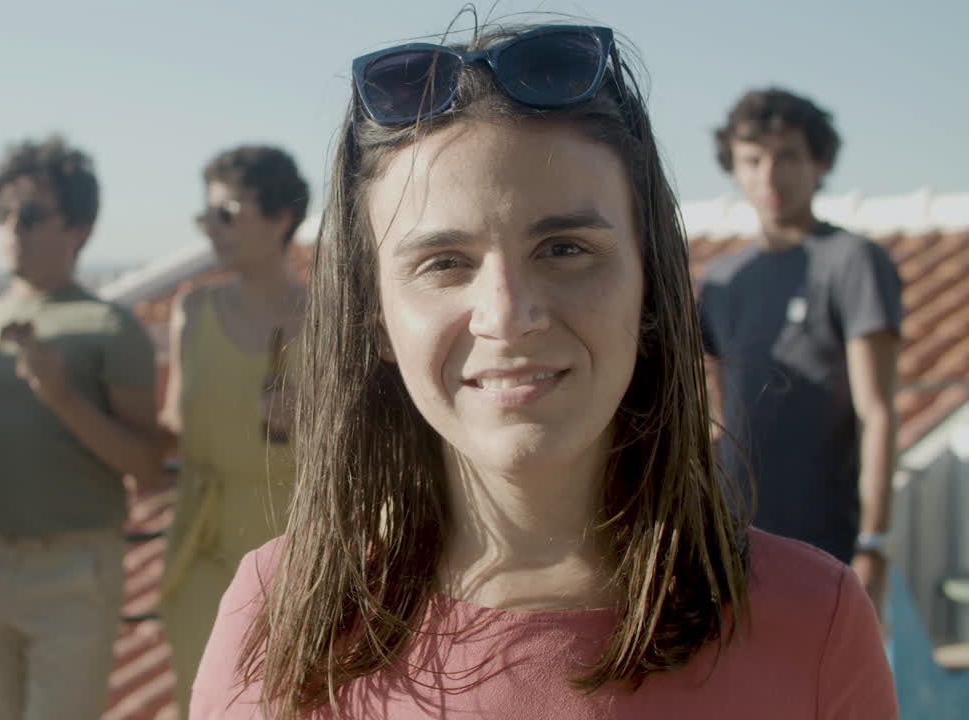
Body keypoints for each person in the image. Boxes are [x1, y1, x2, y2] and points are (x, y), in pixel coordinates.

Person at [191, 23, 898, 719]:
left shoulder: (816, 624)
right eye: (444, 264)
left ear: (652, 285)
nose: (509, 313)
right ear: (375, 317)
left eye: (564, 249)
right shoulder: (276, 610)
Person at [0, 136, 161, 719]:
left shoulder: (110, 327)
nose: (11, 228)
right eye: (1, 214)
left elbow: (147, 464)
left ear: (78, 227)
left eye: (29, 215)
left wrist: (60, 397)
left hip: (74, 570)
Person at [701, 88, 903, 606]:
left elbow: (877, 413)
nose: (770, 176)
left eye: (787, 156)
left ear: (819, 161)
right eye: (753, 159)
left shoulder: (853, 262)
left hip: (827, 546)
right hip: (732, 549)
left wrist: (874, 541)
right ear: (734, 168)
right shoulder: (720, 282)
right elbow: (715, 420)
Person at [157, 145, 309, 716]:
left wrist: (311, 422)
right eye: (206, 215)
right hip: (201, 541)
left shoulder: (329, 316)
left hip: (297, 543)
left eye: (227, 213)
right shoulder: (190, 311)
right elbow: (174, 421)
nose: (211, 229)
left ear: (279, 218)